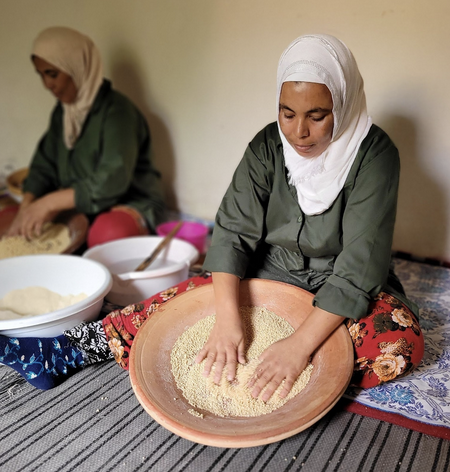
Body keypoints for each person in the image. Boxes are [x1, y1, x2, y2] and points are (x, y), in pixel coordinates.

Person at [1, 35, 423, 401]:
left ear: (343, 104)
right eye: (287, 113)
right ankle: (63, 351)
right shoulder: (266, 146)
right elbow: (232, 233)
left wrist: (298, 345)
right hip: (271, 271)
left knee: (399, 344)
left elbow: (359, 267)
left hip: (340, 283)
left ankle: (299, 365)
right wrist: (227, 319)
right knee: (183, 304)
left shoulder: (375, 155)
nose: (298, 133)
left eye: (317, 115)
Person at [9, 27, 164, 246]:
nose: (47, 84)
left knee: (107, 235)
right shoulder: (64, 112)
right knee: (25, 224)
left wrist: (49, 203)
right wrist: (27, 205)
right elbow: (44, 165)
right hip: (82, 204)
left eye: (53, 74)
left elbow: (112, 181)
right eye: (41, 74)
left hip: (127, 202)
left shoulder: (118, 112)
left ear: (77, 67)